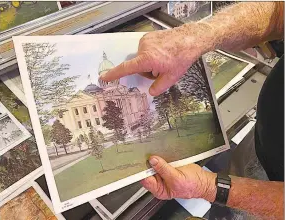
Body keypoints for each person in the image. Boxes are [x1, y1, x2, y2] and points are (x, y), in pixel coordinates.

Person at [100, 2, 284, 219]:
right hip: (263, 140)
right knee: (233, 195)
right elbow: (277, 12)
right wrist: (198, 36)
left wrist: (209, 188)